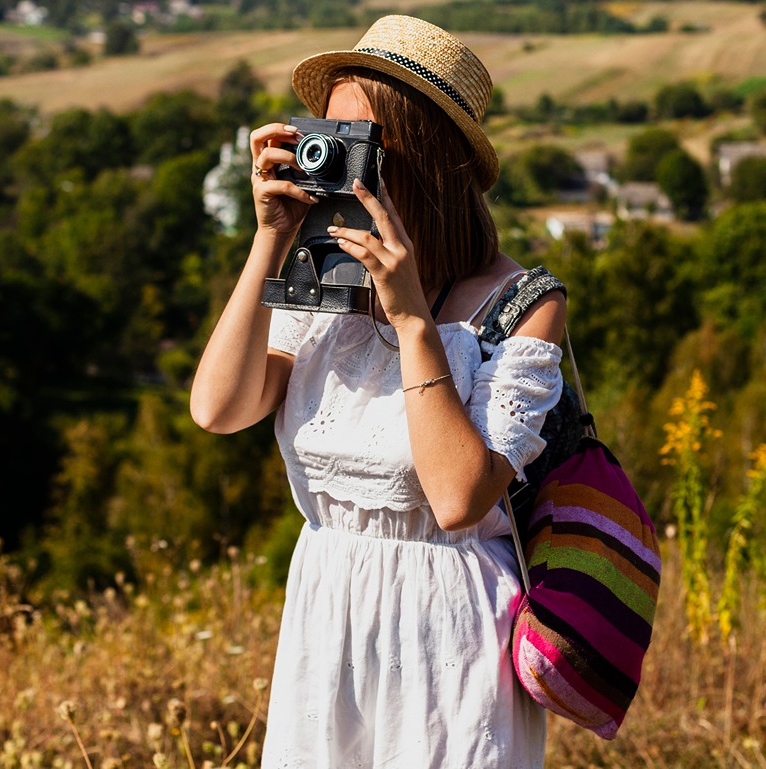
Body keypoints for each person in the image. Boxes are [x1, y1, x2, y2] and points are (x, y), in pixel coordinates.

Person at [189, 15, 565, 768]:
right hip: (327, 616)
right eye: (324, 135)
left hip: (449, 642)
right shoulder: (321, 278)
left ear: (416, 154)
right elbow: (218, 408)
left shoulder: (523, 302)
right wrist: (271, 235)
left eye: (357, 139)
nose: (333, 159)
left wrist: (409, 317)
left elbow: (459, 496)